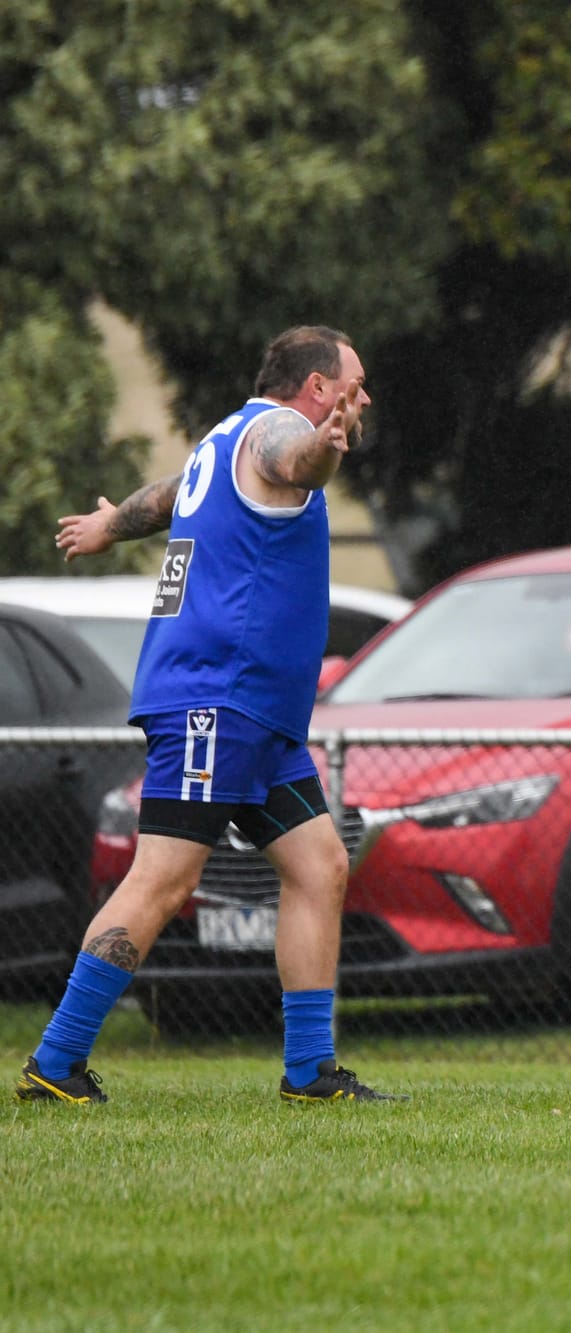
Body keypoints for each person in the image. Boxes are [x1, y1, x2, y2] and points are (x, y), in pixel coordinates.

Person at [15, 326, 403, 1105]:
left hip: (253, 714)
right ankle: (55, 1062)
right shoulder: (282, 433)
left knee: (319, 863)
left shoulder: (223, 436)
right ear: (317, 389)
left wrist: (109, 525)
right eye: (352, 384)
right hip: (216, 703)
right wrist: (326, 449)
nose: (361, 397)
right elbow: (300, 462)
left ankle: (309, 1071)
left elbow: (167, 494)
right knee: (165, 876)